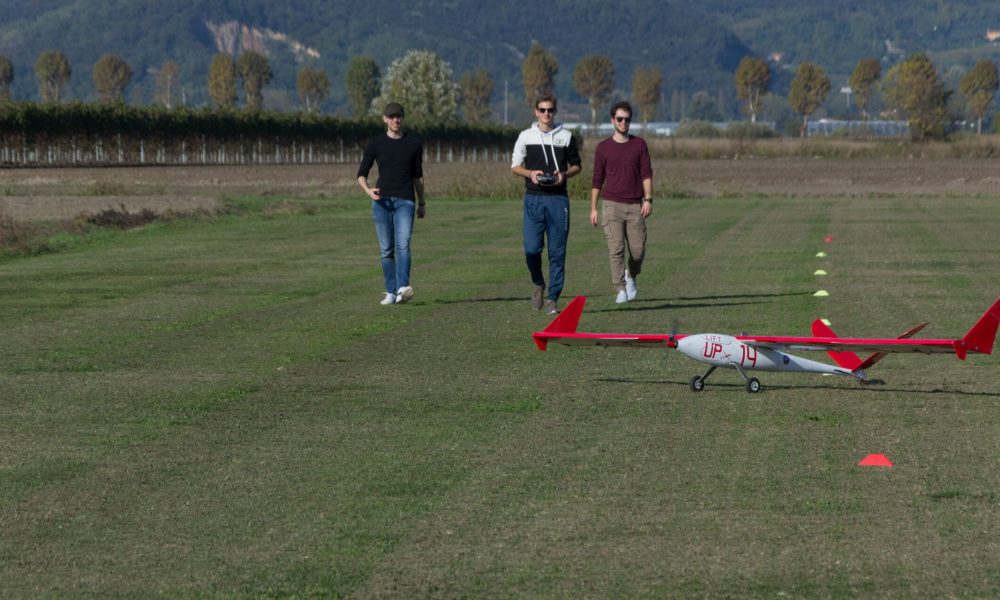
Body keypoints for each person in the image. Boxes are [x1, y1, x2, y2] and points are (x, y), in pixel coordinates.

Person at [511, 94, 582, 314]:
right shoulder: (525, 136)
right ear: (536, 112)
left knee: (557, 252)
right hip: (533, 198)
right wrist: (530, 173)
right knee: (532, 249)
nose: (546, 114)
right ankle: (538, 282)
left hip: (558, 199)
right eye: (542, 110)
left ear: (555, 111)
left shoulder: (566, 136)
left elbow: (577, 165)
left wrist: (564, 175)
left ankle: (553, 298)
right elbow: (515, 166)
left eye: (550, 110)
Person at [357, 102, 426, 305]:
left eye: (399, 116)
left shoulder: (413, 144)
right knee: (386, 248)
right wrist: (368, 190)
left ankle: (403, 288)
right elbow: (361, 174)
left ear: (402, 119)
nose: (396, 120)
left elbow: (418, 177)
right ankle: (390, 291)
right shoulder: (376, 144)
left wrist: (421, 202)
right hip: (381, 202)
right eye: (392, 116)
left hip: (405, 200)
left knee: (403, 244)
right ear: (385, 119)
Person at [590, 100, 653, 304]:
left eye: (627, 119)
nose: (623, 122)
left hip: (635, 205)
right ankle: (620, 289)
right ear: (612, 121)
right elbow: (597, 180)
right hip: (611, 205)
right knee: (615, 249)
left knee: (638, 251)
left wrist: (648, 199)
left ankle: (631, 276)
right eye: (620, 119)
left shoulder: (639, 145)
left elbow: (646, 174)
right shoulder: (603, 148)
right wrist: (593, 208)